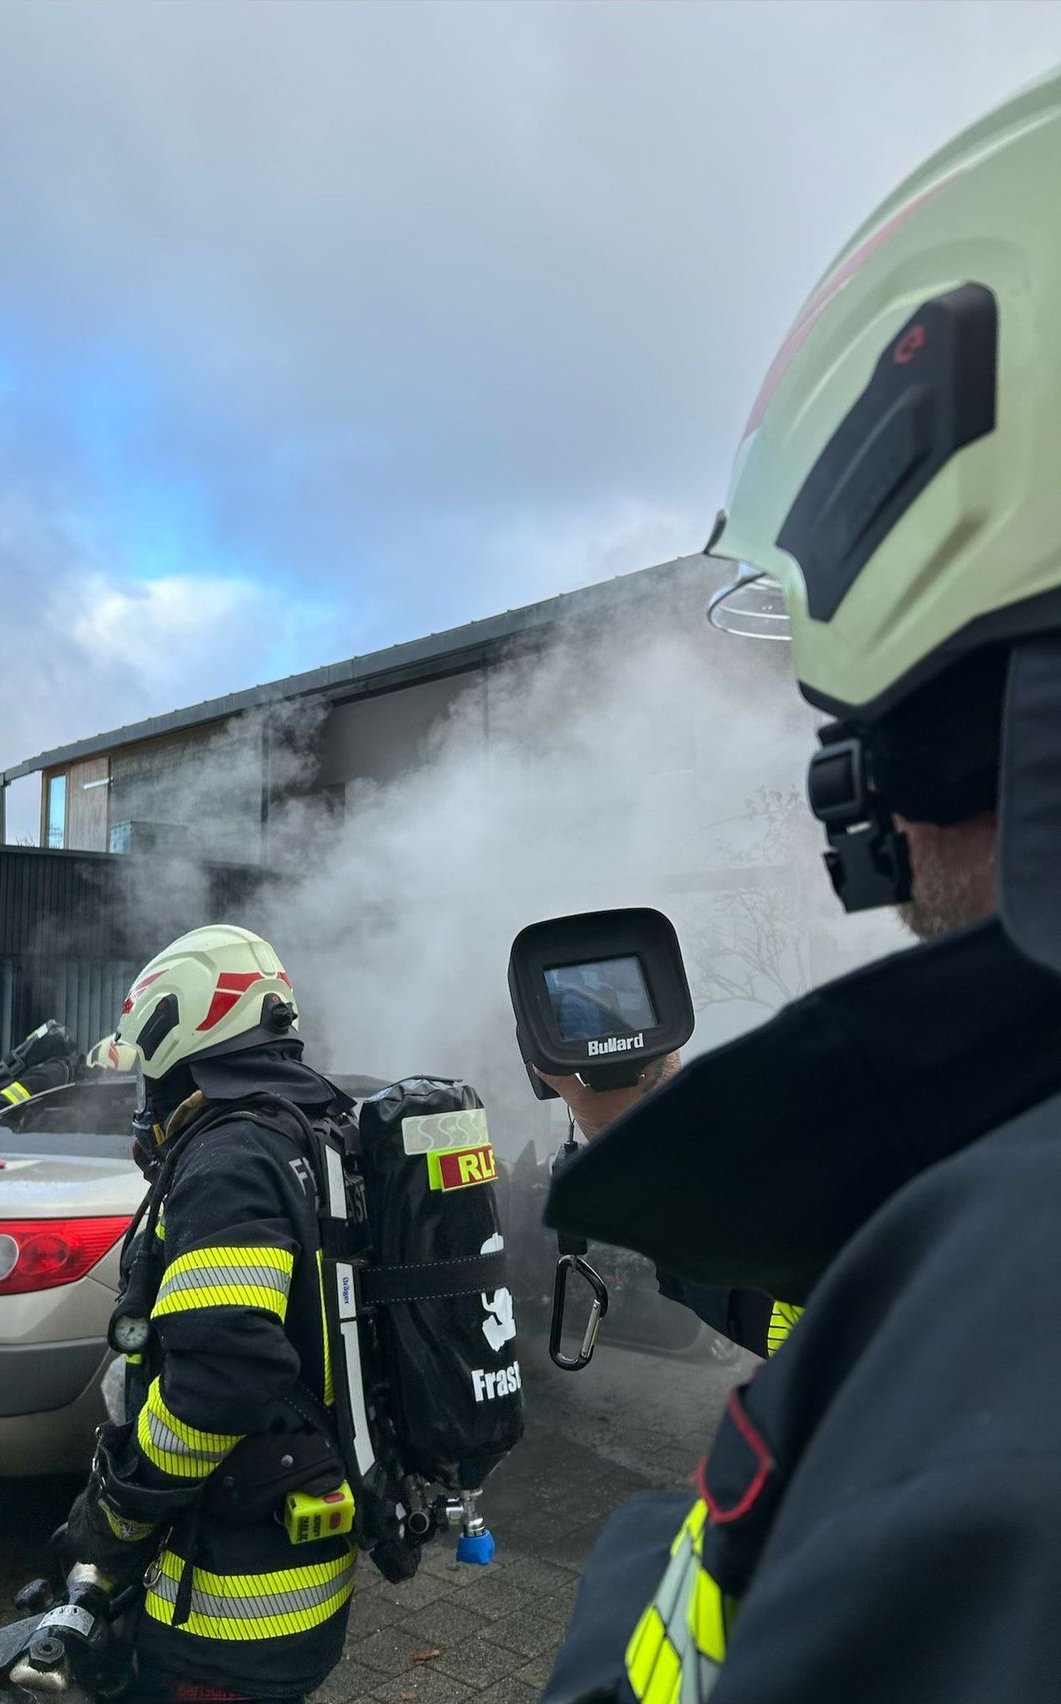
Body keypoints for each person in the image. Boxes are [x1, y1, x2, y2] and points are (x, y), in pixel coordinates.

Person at [542, 70, 1061, 1702]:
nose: (876, 830)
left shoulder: (1009, 1322)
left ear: (960, 727)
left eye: (876, 742)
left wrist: (654, 1548)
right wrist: (658, 1141)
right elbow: (858, 1274)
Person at [65, 924, 357, 1704]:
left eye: (146, 1079)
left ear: (182, 1037)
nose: (142, 1101)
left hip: (221, 1614)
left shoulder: (230, 1160)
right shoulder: (320, 1132)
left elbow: (225, 1378)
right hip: (302, 1575)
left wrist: (116, 1514)